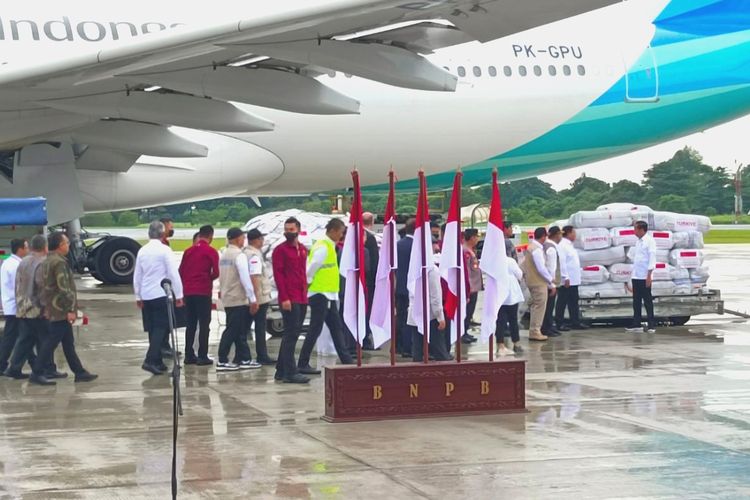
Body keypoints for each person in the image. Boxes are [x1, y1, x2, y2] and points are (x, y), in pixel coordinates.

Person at [31, 233, 97, 385]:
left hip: (52, 306)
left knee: (68, 342)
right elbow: (64, 288)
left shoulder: (47, 261)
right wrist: (70, 310)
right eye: (66, 242)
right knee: (51, 342)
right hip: (60, 309)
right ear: (60, 245)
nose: (68, 245)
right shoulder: (59, 263)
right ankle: (37, 372)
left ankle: (79, 372)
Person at [297, 219, 354, 373]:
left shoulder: (328, 245)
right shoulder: (323, 247)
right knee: (315, 329)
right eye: (341, 232)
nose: (341, 236)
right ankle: (302, 363)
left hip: (328, 294)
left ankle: (346, 359)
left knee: (336, 328)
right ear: (334, 230)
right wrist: (308, 283)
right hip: (320, 294)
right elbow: (311, 268)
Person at [133, 221, 184, 375]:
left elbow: (137, 275)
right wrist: (179, 294)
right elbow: (173, 273)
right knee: (161, 328)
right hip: (160, 293)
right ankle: (150, 360)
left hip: (146, 294)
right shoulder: (164, 250)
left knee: (152, 328)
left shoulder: (142, 250)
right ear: (163, 235)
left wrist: (138, 294)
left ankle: (157, 361)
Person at [272, 217, 310, 384]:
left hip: (301, 296)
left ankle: (281, 370)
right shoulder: (280, 250)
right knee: (291, 334)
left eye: (291, 229)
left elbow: (303, 273)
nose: (288, 232)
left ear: (298, 230)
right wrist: (285, 297)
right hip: (289, 297)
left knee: (293, 332)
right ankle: (290, 371)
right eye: (286, 229)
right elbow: (279, 275)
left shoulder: (301, 249)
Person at [5, 236, 48, 380]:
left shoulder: (22, 262)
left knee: (25, 339)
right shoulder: (39, 263)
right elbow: (41, 286)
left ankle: (15, 367)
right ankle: (40, 370)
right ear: (45, 247)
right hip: (33, 307)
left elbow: (17, 286)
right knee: (42, 339)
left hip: (21, 306)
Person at [217, 228, 260, 371]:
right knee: (233, 330)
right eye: (243, 238)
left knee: (239, 330)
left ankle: (244, 358)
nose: (244, 241)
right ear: (237, 239)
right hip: (238, 297)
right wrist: (252, 298)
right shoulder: (239, 256)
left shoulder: (224, 255)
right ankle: (222, 359)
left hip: (227, 296)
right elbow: (245, 278)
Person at [179, 224, 219, 365]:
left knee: (190, 324)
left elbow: (181, 271)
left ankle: (189, 355)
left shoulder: (188, 251)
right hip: (202, 291)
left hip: (188, 291)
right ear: (211, 236)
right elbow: (216, 272)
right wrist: (207, 278)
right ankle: (202, 355)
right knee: (204, 324)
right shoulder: (211, 251)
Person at [243, 229, 276, 365]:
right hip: (259, 298)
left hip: (250, 297)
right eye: (261, 239)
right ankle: (262, 355)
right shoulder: (254, 256)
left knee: (245, 328)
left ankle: (244, 355)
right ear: (255, 240)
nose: (263, 241)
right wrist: (255, 299)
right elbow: (255, 278)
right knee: (259, 328)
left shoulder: (245, 253)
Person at [408, 262, 452, 362]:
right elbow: (435, 296)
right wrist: (440, 316)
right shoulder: (432, 270)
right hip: (431, 315)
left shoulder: (414, 267)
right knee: (440, 351)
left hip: (415, 312)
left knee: (417, 351)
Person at [521, 227, 556, 342]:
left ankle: (534, 330)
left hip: (532, 280)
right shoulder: (536, 250)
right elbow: (541, 268)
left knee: (535, 305)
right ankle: (535, 331)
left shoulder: (531, 247)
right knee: (540, 306)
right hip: (538, 282)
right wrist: (550, 281)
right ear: (543, 236)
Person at [0, 238, 28, 374]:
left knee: (19, 337)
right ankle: (8, 366)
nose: (28, 250)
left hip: (11, 306)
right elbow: (19, 288)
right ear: (20, 249)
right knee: (17, 338)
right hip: (15, 307)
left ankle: (13, 366)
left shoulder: (7, 262)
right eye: (26, 247)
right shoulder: (16, 265)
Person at [627, 220, 657, 333]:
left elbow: (652, 258)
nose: (634, 231)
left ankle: (651, 325)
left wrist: (649, 276)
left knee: (647, 301)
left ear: (641, 229)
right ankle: (637, 324)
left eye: (635, 229)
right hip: (636, 276)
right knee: (636, 301)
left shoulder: (649, 241)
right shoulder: (638, 242)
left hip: (645, 276)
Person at [555, 226, 588, 330]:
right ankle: (559, 323)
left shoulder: (570, 245)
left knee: (573, 302)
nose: (575, 235)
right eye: (573, 232)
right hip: (567, 280)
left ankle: (575, 321)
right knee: (562, 301)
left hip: (574, 280)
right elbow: (562, 263)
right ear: (568, 233)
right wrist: (565, 277)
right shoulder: (563, 246)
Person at [495, 257, 525, 356]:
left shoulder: (494, 260)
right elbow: (519, 274)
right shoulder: (510, 261)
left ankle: (500, 344)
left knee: (500, 321)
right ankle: (516, 343)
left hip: (499, 293)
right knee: (513, 320)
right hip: (511, 294)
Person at [395, 218, 415, 357]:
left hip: (400, 286)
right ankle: (408, 347)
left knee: (400, 317)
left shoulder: (397, 245)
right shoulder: (418, 246)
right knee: (411, 318)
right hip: (413, 288)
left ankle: (399, 346)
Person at [541, 226, 563, 337]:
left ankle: (549, 326)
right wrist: (552, 284)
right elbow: (551, 268)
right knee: (548, 307)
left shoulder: (547, 245)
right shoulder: (551, 248)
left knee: (548, 307)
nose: (561, 237)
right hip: (550, 283)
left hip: (546, 282)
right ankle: (546, 328)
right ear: (556, 235)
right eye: (560, 234)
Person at [362, 212, 379, 350]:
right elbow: (374, 262)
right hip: (369, 282)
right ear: (372, 222)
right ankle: (366, 338)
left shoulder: (353, 235)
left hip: (360, 281)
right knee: (368, 311)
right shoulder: (371, 238)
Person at [462, 229, 481, 344]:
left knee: (470, 311)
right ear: (472, 237)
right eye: (476, 237)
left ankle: (465, 331)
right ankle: (462, 332)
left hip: (474, 286)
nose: (477, 239)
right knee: (467, 311)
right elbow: (467, 272)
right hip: (470, 286)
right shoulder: (465, 251)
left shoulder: (470, 250)